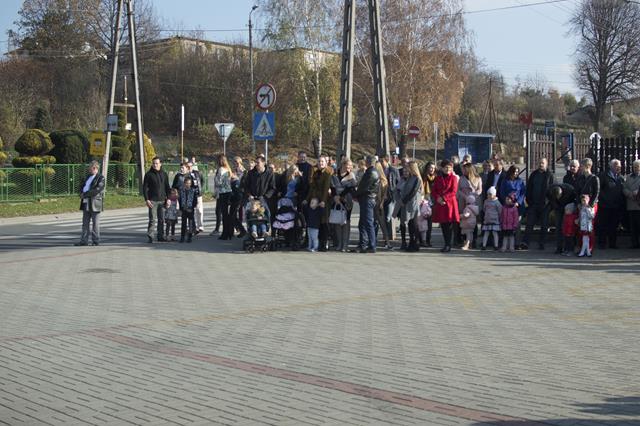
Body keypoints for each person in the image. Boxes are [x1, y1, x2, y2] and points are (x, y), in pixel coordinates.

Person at [523, 158, 554, 250]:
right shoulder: (534, 174)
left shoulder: (550, 175)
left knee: (544, 225)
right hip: (533, 204)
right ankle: (525, 242)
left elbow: (553, 190)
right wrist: (529, 201)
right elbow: (529, 188)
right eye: (540, 163)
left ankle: (542, 243)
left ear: (546, 164)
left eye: (543, 163)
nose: (541, 164)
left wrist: (549, 203)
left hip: (545, 205)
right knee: (529, 224)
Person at [305, 156, 333, 251]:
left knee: (324, 222)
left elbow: (326, 188)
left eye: (322, 161)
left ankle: (324, 244)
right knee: (317, 223)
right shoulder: (316, 173)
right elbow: (312, 187)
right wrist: (307, 199)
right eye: (319, 161)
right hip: (315, 200)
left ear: (326, 163)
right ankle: (317, 244)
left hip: (323, 201)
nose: (320, 163)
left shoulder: (327, 174)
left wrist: (323, 201)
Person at [74, 161, 105, 246]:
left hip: (95, 203)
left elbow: (96, 190)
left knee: (95, 223)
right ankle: (84, 241)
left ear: (94, 168)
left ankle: (95, 241)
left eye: (90, 168)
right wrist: (80, 192)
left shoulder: (101, 178)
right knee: (85, 223)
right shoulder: (88, 176)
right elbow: (82, 185)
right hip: (86, 202)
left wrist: (85, 194)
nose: (89, 170)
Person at [431, 159, 459, 252]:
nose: (448, 169)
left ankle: (448, 244)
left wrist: (443, 198)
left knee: (449, 224)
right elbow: (434, 190)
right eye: (446, 167)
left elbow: (453, 191)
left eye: (450, 167)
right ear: (442, 168)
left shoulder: (453, 178)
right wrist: (438, 198)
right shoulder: (438, 178)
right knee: (443, 224)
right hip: (441, 204)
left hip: (450, 204)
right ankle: (446, 243)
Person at [597, 159, 625, 249]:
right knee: (603, 225)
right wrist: (604, 200)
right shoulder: (603, 176)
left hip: (616, 206)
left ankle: (613, 244)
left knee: (614, 226)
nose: (619, 167)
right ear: (611, 166)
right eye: (616, 165)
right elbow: (598, 190)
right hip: (604, 206)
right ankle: (602, 243)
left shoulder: (620, 178)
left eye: (619, 165)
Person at [354, 155, 380, 253]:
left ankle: (372, 245)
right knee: (363, 223)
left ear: (368, 162)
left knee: (368, 223)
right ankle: (363, 244)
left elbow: (364, 187)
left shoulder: (371, 172)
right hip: (368, 198)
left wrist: (355, 194)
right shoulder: (372, 171)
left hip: (368, 199)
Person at [331, 158, 357, 252]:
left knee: (346, 222)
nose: (350, 167)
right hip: (336, 200)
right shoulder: (335, 174)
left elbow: (351, 188)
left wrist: (340, 196)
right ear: (343, 164)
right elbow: (332, 186)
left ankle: (345, 245)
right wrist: (335, 196)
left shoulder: (351, 175)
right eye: (348, 165)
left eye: (351, 165)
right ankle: (339, 244)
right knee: (337, 222)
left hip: (347, 201)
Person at [143, 156, 171, 243]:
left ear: (160, 164)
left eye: (157, 163)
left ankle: (160, 236)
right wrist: (147, 199)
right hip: (152, 201)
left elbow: (167, 187)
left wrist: (168, 199)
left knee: (161, 219)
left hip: (162, 201)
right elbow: (144, 188)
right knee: (152, 219)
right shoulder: (148, 174)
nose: (155, 165)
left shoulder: (164, 174)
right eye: (153, 163)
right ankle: (151, 236)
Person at [398, 161, 423, 252]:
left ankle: (416, 242)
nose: (407, 169)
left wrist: (404, 201)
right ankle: (412, 242)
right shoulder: (409, 178)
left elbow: (413, 191)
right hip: (407, 203)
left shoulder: (417, 179)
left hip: (413, 203)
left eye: (408, 167)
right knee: (410, 223)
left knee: (414, 223)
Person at [546, 183, 577, 254]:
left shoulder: (569, 189)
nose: (558, 198)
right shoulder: (549, 191)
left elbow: (574, 199)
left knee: (566, 227)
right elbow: (550, 199)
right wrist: (555, 206)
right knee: (558, 227)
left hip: (568, 206)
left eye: (559, 196)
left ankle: (568, 247)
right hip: (558, 207)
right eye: (556, 197)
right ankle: (559, 247)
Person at [457, 163, 482, 248]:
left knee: (473, 221)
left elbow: (480, 190)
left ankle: (473, 240)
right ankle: (464, 240)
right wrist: (464, 196)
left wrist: (472, 195)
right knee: (464, 220)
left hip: (473, 201)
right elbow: (458, 190)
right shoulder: (461, 178)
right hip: (463, 201)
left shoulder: (478, 178)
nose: (463, 171)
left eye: (464, 169)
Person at [214, 155, 234, 240]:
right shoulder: (228, 169)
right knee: (226, 214)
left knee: (224, 214)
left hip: (222, 193)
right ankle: (229, 232)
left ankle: (225, 234)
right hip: (228, 192)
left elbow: (219, 182)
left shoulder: (221, 169)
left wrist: (215, 179)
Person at [381, 155, 400, 242]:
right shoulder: (379, 170)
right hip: (381, 196)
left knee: (388, 217)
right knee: (382, 217)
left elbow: (398, 183)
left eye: (382, 161)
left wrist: (396, 194)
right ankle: (386, 236)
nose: (381, 163)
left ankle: (389, 236)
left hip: (391, 196)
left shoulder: (393, 170)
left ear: (386, 161)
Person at [623, 159, 640, 249]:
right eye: (634, 167)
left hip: (639, 204)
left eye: (637, 167)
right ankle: (634, 243)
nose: (636, 168)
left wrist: (638, 192)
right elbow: (624, 188)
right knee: (633, 226)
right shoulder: (629, 177)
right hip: (631, 204)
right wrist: (630, 194)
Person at [421, 161, 437, 247]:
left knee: (429, 223)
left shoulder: (436, 177)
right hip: (424, 199)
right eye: (431, 167)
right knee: (422, 221)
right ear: (427, 168)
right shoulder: (423, 177)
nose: (432, 169)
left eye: (433, 168)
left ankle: (428, 240)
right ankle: (421, 240)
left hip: (432, 200)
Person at [179, 176, 198, 243]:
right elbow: (180, 200)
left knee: (190, 223)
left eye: (189, 183)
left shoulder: (193, 191)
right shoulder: (181, 190)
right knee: (183, 224)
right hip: (184, 209)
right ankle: (182, 237)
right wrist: (181, 208)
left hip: (190, 209)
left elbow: (195, 200)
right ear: (184, 183)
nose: (188, 184)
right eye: (187, 183)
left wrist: (192, 207)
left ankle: (189, 236)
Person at [188, 159, 205, 233]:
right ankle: (191, 227)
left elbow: (202, 181)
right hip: (189, 195)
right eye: (188, 167)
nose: (189, 168)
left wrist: (200, 188)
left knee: (199, 210)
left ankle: (200, 226)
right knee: (190, 211)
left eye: (190, 166)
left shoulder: (197, 173)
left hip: (198, 194)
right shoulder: (185, 174)